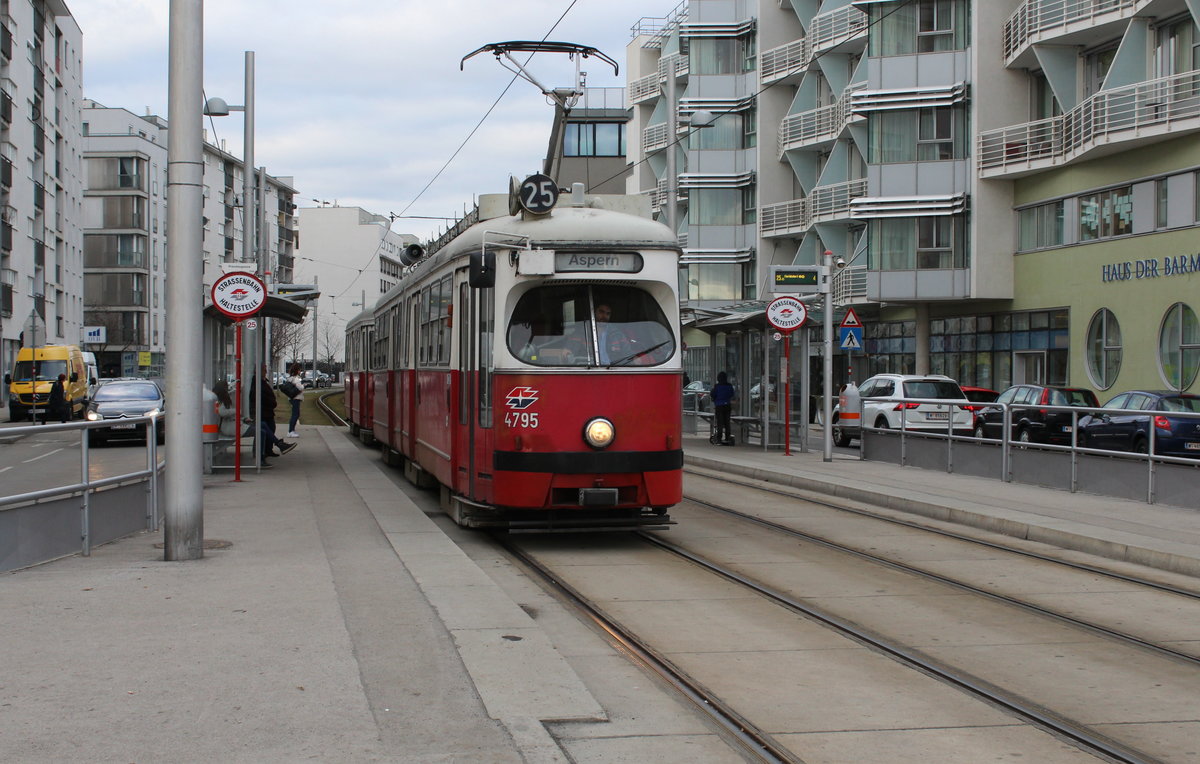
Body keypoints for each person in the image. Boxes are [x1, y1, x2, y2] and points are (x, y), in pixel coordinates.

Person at [249, 366, 295, 460]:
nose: (265, 372)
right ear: (258, 371)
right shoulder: (257, 383)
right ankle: (262, 453)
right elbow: (259, 397)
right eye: (264, 370)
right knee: (264, 430)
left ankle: (269, 449)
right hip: (263, 411)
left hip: (267, 411)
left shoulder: (262, 381)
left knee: (270, 428)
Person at [711, 371, 736, 446]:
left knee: (720, 423)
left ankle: (719, 439)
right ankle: (728, 437)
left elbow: (713, 394)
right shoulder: (729, 386)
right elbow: (732, 394)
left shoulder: (717, 386)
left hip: (719, 405)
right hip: (727, 405)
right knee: (727, 422)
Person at [285, 363, 306, 438]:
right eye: (299, 370)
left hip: (292, 398)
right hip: (296, 398)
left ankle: (292, 430)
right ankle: (290, 431)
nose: (300, 371)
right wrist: (304, 385)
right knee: (295, 414)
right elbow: (300, 388)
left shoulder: (290, 378)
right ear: (297, 371)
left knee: (295, 414)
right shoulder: (296, 379)